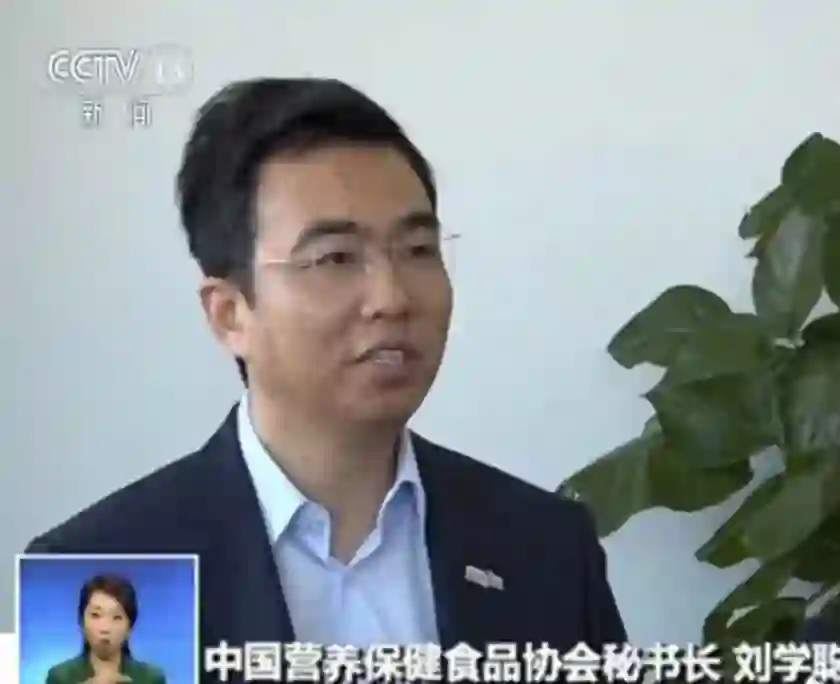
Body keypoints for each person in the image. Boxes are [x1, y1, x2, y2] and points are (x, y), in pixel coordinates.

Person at [26, 78, 627, 662]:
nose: (392, 298)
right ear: (230, 314)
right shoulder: (102, 568)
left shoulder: (547, 545)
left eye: (418, 251)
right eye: (335, 258)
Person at [44, 574, 166, 684]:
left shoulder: (152, 679)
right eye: (95, 615)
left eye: (117, 617)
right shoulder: (60, 678)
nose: (105, 628)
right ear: (82, 622)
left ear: (129, 627)